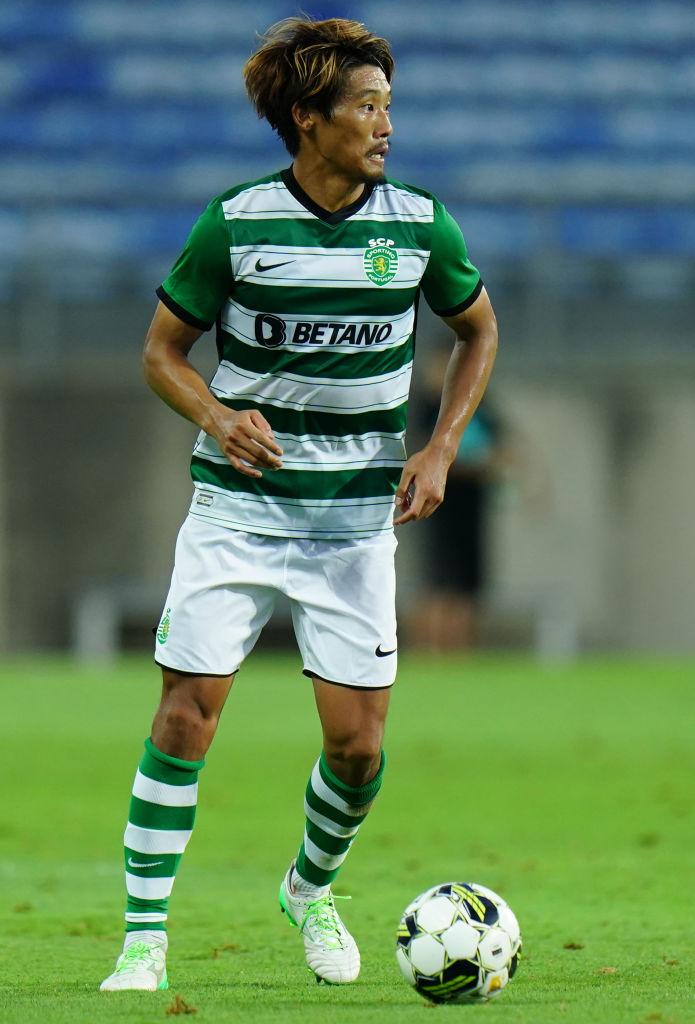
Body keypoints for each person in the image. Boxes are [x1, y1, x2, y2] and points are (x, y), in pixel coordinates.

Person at [100, 15, 497, 993]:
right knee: (185, 718)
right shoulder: (236, 223)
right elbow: (160, 353)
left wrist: (440, 445)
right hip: (237, 513)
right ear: (307, 118)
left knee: (357, 749)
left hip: (354, 526)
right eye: (365, 106)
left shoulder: (417, 224)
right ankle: (143, 940)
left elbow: (478, 331)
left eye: (387, 106)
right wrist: (216, 413)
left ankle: (308, 889)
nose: (384, 124)